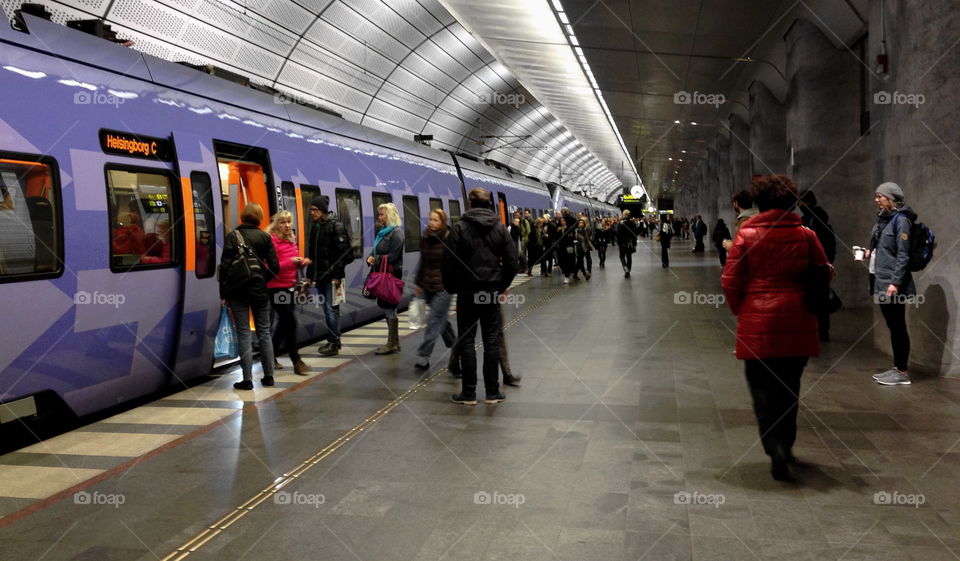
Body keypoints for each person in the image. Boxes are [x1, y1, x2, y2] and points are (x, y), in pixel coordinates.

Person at [721, 174, 830, 482]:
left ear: (759, 202)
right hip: (798, 320)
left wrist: (742, 309)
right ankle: (787, 443)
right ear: (791, 203)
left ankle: (774, 447)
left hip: (758, 323)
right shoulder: (806, 234)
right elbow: (825, 272)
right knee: (789, 389)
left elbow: (730, 280)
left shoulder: (746, 235)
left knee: (761, 390)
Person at [442, 188, 517, 405]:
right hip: (490, 293)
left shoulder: (459, 228)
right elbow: (512, 262)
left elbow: (447, 261)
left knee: (466, 341)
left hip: (467, 292)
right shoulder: (500, 228)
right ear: (489, 204)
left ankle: (469, 393)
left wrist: (451, 287)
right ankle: (492, 393)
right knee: (491, 341)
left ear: (470, 203)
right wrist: (501, 285)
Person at [220, 203, 280, 390]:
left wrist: (224, 293)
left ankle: (247, 379)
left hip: (238, 291)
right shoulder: (265, 237)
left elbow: (225, 267)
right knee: (264, 332)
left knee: (244, 333)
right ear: (260, 218)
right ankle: (269, 376)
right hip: (259, 290)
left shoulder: (233, 236)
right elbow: (275, 266)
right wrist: (261, 278)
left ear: (243, 216)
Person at [865, 182, 916, 386]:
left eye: (880, 196)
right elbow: (885, 250)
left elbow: (903, 255)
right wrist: (869, 254)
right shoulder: (884, 219)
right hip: (881, 280)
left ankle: (902, 372)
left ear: (891, 198)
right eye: (876, 196)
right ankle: (897, 368)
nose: (876, 200)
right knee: (893, 325)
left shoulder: (901, 220)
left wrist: (895, 282)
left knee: (898, 326)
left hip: (892, 284)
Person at [306, 196, 353, 357]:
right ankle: (335, 339)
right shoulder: (316, 227)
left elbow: (346, 253)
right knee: (329, 309)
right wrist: (310, 275)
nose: (312, 213)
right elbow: (312, 254)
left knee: (331, 309)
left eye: (315, 210)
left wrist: (337, 275)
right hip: (320, 276)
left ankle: (333, 342)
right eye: (311, 210)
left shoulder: (336, 226)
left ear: (323, 211)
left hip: (333, 277)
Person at [267, 210, 311, 375]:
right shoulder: (271, 240)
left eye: (289, 222)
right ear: (276, 224)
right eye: (282, 222)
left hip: (290, 286)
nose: (286, 225)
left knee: (284, 324)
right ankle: (296, 361)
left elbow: (293, 260)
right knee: (290, 322)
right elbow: (269, 266)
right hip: (276, 287)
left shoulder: (291, 239)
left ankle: (269, 356)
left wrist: (301, 263)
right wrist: (289, 262)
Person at [413, 208, 456, 370]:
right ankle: (457, 347)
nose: (431, 223)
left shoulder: (449, 238)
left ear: (443, 222)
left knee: (433, 319)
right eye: (430, 219)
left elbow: (454, 263)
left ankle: (424, 355)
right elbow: (423, 262)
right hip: (427, 285)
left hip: (444, 286)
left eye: (435, 220)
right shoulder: (425, 237)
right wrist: (418, 283)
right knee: (441, 320)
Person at [797, 190, 837, 342]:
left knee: (811, 299)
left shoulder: (809, 221)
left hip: (812, 267)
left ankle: (814, 330)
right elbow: (831, 244)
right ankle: (822, 331)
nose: (800, 205)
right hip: (821, 266)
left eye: (802, 202)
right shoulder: (821, 219)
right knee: (821, 299)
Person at [367, 203, 405, 355]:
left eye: (382, 214)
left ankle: (391, 343)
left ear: (390, 216)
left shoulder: (397, 233)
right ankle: (394, 342)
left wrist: (375, 259)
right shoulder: (382, 233)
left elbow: (394, 256)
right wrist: (371, 256)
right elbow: (377, 249)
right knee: (389, 308)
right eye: (379, 214)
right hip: (383, 274)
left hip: (391, 275)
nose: (379, 217)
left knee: (390, 308)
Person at [617, 210, 638, 277]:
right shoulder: (633, 223)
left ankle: (626, 269)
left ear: (624, 215)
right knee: (629, 256)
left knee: (622, 256)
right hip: (630, 243)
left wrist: (619, 243)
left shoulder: (620, 224)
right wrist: (634, 243)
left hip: (622, 243)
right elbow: (636, 233)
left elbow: (618, 234)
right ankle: (629, 269)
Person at [557, 215, 577, 283]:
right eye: (561, 221)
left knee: (568, 261)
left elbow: (573, 237)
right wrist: (557, 231)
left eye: (563, 221)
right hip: (561, 247)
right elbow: (555, 237)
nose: (562, 222)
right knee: (560, 261)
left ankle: (567, 276)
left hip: (568, 247)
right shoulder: (558, 229)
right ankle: (566, 271)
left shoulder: (569, 229)